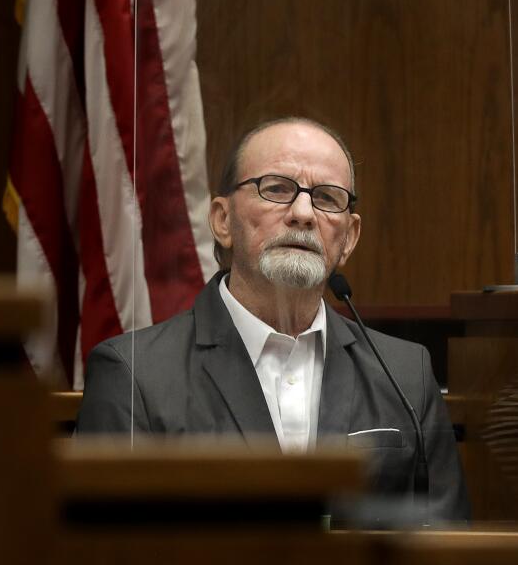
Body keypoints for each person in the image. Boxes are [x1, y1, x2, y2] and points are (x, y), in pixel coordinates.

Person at [75, 116, 470, 522]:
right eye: (277, 189)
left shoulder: (406, 376)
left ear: (349, 238)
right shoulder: (134, 374)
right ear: (222, 221)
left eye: (327, 198)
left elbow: (446, 553)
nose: (302, 213)